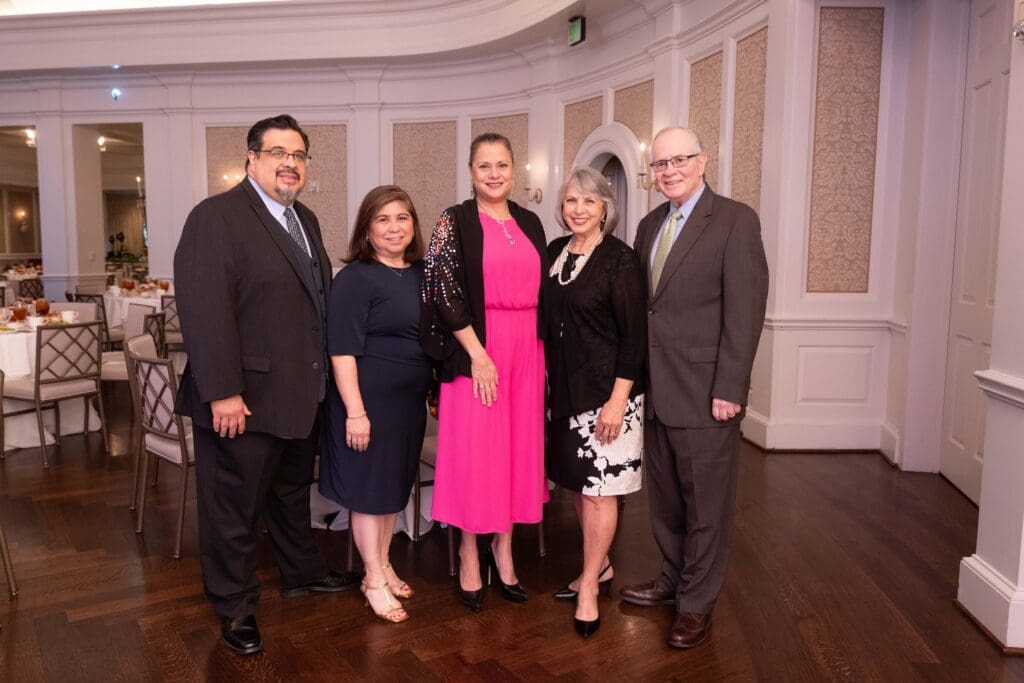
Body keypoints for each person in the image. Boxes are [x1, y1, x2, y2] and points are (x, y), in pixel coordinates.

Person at [174, 114, 360, 656]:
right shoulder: (215, 217)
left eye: (298, 155)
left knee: (289, 494)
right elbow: (205, 311)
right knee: (232, 508)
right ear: (251, 158)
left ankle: (302, 571)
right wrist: (223, 391)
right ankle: (234, 605)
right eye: (278, 153)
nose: (290, 163)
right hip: (244, 400)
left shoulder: (305, 219)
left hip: (301, 396)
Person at [620, 127, 768, 649]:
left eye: (679, 160)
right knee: (665, 502)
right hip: (656, 392)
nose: (669, 171)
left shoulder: (735, 221)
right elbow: (646, 308)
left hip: (707, 393)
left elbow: (745, 312)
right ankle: (672, 578)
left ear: (703, 161)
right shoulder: (649, 225)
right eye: (660, 164)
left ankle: (697, 602)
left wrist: (731, 387)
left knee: (706, 507)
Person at [420, 132, 549, 612]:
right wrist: (478, 354)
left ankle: (504, 547)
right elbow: (442, 291)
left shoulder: (532, 222)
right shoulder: (452, 222)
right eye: (484, 166)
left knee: (517, 448)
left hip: (527, 350)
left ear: (514, 171)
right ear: (470, 172)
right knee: (476, 453)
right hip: (476, 349)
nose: (494, 174)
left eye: (502, 165)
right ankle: (470, 550)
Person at [319, 185, 431, 624]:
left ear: (413, 225)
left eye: (402, 217)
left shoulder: (420, 273)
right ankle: (372, 579)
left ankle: (383, 564)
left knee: (390, 491)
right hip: (366, 404)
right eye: (382, 219)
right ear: (367, 229)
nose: (394, 227)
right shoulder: (355, 278)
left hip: (406, 406)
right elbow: (341, 351)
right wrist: (356, 412)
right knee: (368, 493)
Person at [545, 166, 646, 638]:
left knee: (601, 492)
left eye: (589, 201)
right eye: (571, 201)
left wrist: (617, 400)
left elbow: (634, 338)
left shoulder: (620, 260)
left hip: (609, 396)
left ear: (606, 208)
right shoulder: (555, 252)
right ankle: (599, 566)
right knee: (579, 487)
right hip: (565, 394)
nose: (579, 209)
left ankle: (588, 585)